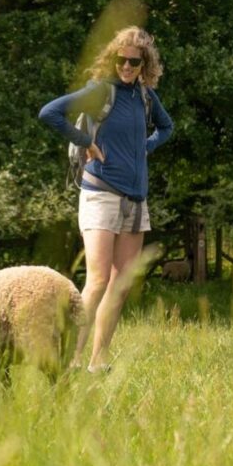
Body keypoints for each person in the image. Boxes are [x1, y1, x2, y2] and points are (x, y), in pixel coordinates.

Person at [38, 26, 173, 371]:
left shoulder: (144, 96)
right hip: (101, 194)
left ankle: (99, 360)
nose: (127, 67)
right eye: (121, 60)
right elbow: (49, 113)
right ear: (112, 59)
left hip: (136, 200)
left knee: (121, 283)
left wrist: (148, 146)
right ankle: (72, 359)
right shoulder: (100, 91)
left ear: (144, 65)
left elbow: (167, 127)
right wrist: (84, 141)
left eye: (134, 61)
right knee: (97, 280)